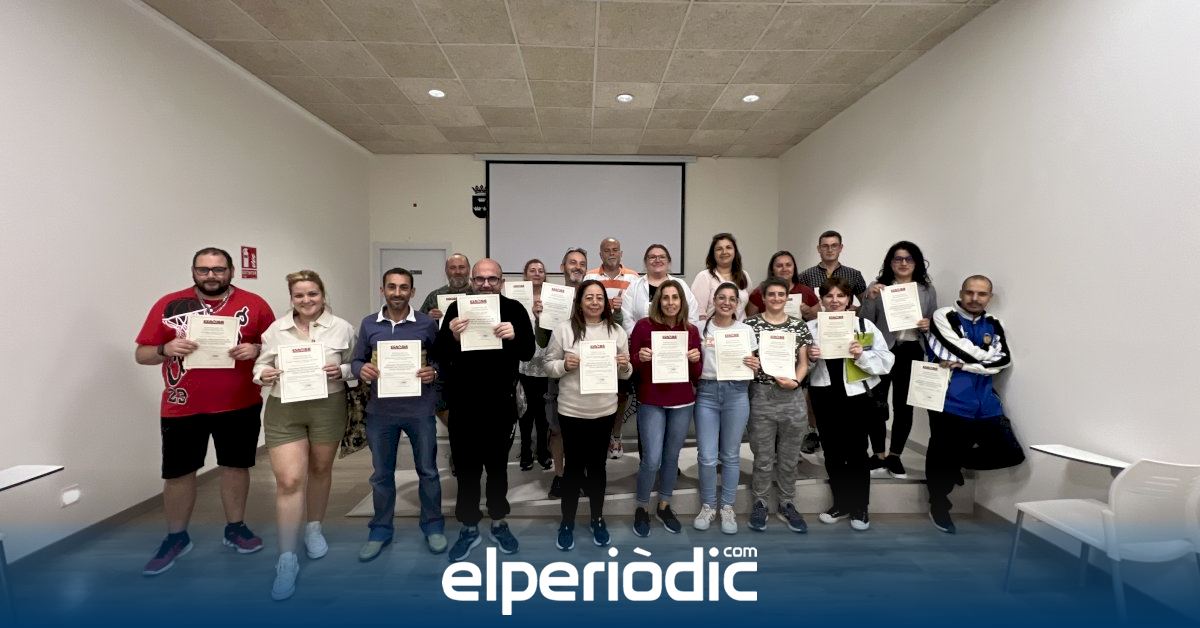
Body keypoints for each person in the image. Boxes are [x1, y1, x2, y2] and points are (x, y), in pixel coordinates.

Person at [134, 247, 274, 576]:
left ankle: (235, 528)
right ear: (194, 271)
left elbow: (275, 347)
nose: (211, 276)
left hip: (239, 403)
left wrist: (255, 348)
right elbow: (141, 354)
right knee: (179, 473)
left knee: (235, 467)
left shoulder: (254, 304)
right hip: (183, 405)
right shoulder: (169, 304)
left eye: (219, 269)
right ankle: (176, 537)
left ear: (231, 271)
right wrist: (165, 348)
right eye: (204, 269)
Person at [252, 270, 356, 601]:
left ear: (322, 295)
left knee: (321, 469)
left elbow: (355, 364)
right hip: (285, 409)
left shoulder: (342, 328)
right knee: (289, 481)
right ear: (292, 298)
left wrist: (341, 370)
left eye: (312, 293)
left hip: (327, 406)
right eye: (299, 295)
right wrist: (264, 374)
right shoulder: (276, 330)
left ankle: (314, 528)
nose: (306, 300)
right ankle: (287, 558)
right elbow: (259, 367)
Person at [434, 259, 535, 562]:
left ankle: (499, 521)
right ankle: (468, 526)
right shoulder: (457, 308)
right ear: (472, 281)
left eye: (492, 279)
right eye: (480, 279)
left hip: (500, 405)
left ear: (501, 281)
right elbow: (440, 353)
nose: (486, 284)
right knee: (466, 471)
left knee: (497, 469)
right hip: (464, 404)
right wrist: (451, 336)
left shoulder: (515, 309)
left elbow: (528, 351)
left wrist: (515, 335)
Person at [350, 268, 445, 563]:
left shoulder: (426, 324)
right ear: (383, 290)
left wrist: (434, 371)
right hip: (381, 412)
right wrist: (361, 369)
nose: (397, 292)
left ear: (412, 292)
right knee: (381, 474)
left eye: (404, 287)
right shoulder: (369, 324)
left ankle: (433, 526)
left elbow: (441, 358)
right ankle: (380, 530)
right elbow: (356, 360)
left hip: (419, 409)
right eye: (391, 287)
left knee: (428, 471)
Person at [924, 275, 1023, 534]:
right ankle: (938, 504)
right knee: (940, 456)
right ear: (961, 293)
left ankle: (955, 463)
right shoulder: (944, 317)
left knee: (1011, 453)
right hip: (950, 401)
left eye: (982, 294)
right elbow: (960, 349)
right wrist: (985, 361)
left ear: (989, 297)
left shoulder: (994, 323)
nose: (975, 298)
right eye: (969, 292)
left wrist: (966, 366)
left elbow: (1004, 361)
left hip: (987, 404)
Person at [544, 280, 632, 550]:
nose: (594, 302)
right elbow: (548, 365)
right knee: (572, 469)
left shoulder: (616, 332)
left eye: (599, 298)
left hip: (604, 411)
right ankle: (567, 522)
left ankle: (597, 518)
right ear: (579, 302)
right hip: (572, 411)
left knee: (597, 468)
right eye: (589, 297)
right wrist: (563, 364)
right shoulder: (563, 329)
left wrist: (625, 365)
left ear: (605, 303)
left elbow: (626, 374)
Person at [807, 277, 894, 532]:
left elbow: (886, 361)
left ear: (849, 300)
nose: (835, 301)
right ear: (822, 300)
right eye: (829, 296)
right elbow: (798, 367)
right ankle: (841, 503)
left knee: (857, 451)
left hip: (856, 396)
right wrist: (810, 358)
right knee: (832, 452)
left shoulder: (864, 325)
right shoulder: (810, 328)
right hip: (824, 395)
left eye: (840, 296)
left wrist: (861, 354)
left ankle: (860, 506)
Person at [858, 241, 938, 480]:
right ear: (890, 263)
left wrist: (928, 324)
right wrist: (869, 298)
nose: (903, 263)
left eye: (908, 259)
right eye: (898, 259)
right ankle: (878, 454)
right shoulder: (878, 287)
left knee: (904, 407)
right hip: (883, 351)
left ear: (916, 262)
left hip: (912, 350)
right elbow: (865, 322)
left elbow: (934, 320)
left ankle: (895, 455)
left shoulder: (926, 289)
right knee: (876, 404)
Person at [628, 280, 702, 537]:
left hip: (682, 402)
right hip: (652, 401)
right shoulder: (643, 326)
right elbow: (631, 366)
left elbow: (696, 375)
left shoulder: (691, 330)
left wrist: (695, 360)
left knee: (671, 457)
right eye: (666, 297)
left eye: (675, 297)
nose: (671, 302)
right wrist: (639, 358)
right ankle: (641, 507)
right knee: (651, 459)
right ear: (658, 301)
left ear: (682, 302)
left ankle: (664, 506)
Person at [743, 278, 813, 533]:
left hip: (792, 396)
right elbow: (744, 359)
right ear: (763, 297)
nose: (775, 298)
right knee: (762, 456)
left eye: (780, 294)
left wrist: (796, 381)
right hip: (761, 394)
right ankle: (760, 502)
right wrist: (749, 365)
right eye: (771, 294)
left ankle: (787, 502)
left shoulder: (798, 326)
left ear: (787, 297)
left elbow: (803, 362)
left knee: (789, 457)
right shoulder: (750, 325)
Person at [693, 283, 759, 534]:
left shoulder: (746, 330)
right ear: (714, 300)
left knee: (730, 455)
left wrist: (755, 364)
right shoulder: (700, 328)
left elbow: (754, 364)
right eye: (721, 297)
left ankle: (727, 507)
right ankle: (708, 505)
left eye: (732, 299)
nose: (726, 302)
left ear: (737, 304)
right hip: (707, 393)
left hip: (736, 393)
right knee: (707, 456)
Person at [584, 237, 639, 459]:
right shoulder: (590, 276)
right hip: (594, 342)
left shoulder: (634, 277)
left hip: (622, 342)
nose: (611, 253)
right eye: (607, 250)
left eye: (615, 250)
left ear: (621, 253)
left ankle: (615, 436)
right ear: (600, 254)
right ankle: (598, 438)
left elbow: (635, 310)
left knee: (621, 394)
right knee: (596, 388)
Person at [543, 248, 589, 498]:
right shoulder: (552, 298)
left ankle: (579, 474)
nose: (577, 267)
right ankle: (560, 476)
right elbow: (542, 341)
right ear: (562, 267)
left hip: (588, 373)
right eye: (572, 262)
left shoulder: (593, 297)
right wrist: (539, 318)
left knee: (584, 430)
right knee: (557, 429)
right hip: (560, 373)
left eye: (582, 263)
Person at [517, 259, 552, 472]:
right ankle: (525, 451)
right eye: (532, 270)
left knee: (543, 413)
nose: (537, 273)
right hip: (524, 364)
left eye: (541, 270)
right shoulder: (516, 298)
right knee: (525, 412)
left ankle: (543, 451)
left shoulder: (553, 299)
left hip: (547, 363)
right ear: (525, 274)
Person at [621, 244, 700, 335]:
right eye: (652, 257)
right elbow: (626, 317)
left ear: (669, 262)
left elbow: (692, 314)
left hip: (676, 339)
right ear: (645, 262)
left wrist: (685, 336)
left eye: (662, 257)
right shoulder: (634, 286)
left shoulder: (680, 284)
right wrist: (638, 336)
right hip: (643, 340)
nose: (657, 260)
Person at [691, 233, 752, 321]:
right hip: (713, 328)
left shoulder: (744, 275)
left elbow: (747, 306)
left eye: (728, 247)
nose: (724, 252)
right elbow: (698, 313)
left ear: (735, 251)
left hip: (741, 328)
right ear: (713, 254)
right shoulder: (704, 277)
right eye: (719, 249)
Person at [745, 250, 818, 321]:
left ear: (794, 268)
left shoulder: (806, 291)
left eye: (788, 265)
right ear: (772, 269)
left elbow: (818, 321)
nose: (784, 269)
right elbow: (750, 321)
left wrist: (809, 313)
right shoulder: (759, 292)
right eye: (779, 266)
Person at [798, 230, 867, 305]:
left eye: (834, 245)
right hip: (816, 313)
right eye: (825, 246)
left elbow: (866, 305)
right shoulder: (805, 276)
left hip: (844, 313)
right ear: (819, 249)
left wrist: (856, 310)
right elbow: (797, 305)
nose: (830, 250)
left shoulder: (854, 275)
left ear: (840, 248)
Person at [419, 253, 471, 322]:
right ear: (446, 271)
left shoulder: (477, 294)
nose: (457, 272)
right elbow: (418, 322)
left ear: (469, 269)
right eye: (452, 268)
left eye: (461, 267)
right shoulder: (434, 296)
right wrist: (428, 317)